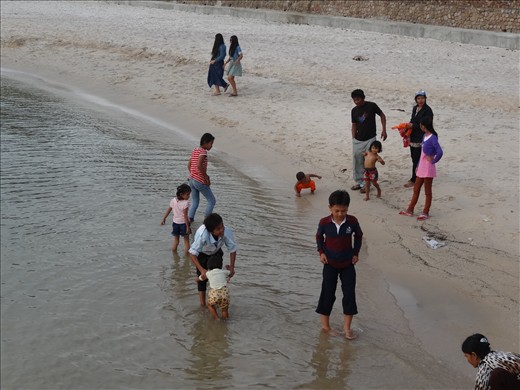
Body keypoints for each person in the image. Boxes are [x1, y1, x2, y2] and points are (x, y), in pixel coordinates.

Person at [315, 190, 363, 340]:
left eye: (344, 211)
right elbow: (319, 237)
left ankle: (347, 329)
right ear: (330, 208)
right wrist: (321, 252)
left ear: (347, 209)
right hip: (329, 264)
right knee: (327, 294)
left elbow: (359, 235)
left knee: (349, 295)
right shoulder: (324, 222)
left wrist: (356, 253)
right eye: (337, 210)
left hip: (348, 264)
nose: (340, 214)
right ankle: (326, 327)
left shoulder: (352, 221)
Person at [399, 117, 443, 221]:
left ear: (423, 126)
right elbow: (422, 154)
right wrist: (418, 165)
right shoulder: (424, 136)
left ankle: (425, 212)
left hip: (428, 168)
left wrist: (433, 161)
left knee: (427, 191)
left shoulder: (433, 137)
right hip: (422, 167)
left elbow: (440, 152)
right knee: (416, 189)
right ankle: (410, 210)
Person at [189, 213, 237, 307]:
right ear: (211, 231)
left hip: (216, 252)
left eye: (222, 226)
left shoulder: (226, 232)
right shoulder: (202, 235)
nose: (222, 230)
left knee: (217, 276)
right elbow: (192, 254)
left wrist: (232, 268)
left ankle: (218, 300)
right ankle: (202, 304)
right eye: (218, 229)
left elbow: (233, 249)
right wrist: (202, 270)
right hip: (202, 254)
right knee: (202, 279)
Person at [350, 89, 387, 194]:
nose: (356, 101)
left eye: (358, 99)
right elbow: (354, 125)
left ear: (363, 98)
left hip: (370, 138)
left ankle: (368, 184)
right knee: (357, 160)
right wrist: (353, 138)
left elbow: (382, 115)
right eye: (354, 100)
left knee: (369, 160)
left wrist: (384, 130)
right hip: (358, 139)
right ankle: (359, 181)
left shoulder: (371, 106)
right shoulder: (354, 110)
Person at [404, 90, 434, 188]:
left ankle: (414, 179)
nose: (420, 100)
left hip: (422, 137)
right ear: (416, 100)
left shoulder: (428, 111)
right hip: (413, 136)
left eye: (422, 98)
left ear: (425, 99)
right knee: (414, 157)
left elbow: (427, 125)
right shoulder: (415, 108)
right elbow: (412, 120)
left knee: (418, 158)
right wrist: (407, 127)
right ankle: (421, 176)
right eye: (418, 98)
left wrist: (413, 125)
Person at [188, 133, 216, 222]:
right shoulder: (203, 152)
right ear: (205, 142)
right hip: (199, 180)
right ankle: (206, 221)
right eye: (211, 143)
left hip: (191, 180)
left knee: (195, 202)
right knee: (212, 201)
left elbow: (189, 165)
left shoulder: (195, 150)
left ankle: (189, 219)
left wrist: (193, 174)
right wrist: (206, 177)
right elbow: (199, 165)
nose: (211, 146)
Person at [160, 183, 192, 253]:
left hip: (175, 223)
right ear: (181, 194)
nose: (189, 196)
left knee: (176, 241)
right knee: (186, 242)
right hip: (184, 224)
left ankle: (174, 255)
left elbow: (169, 209)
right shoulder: (185, 203)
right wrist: (187, 227)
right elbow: (185, 216)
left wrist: (164, 218)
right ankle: (187, 259)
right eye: (187, 194)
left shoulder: (173, 200)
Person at [198, 254, 231, 319]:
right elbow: (230, 273)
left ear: (209, 266)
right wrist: (228, 268)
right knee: (224, 309)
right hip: (224, 294)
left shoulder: (208, 273)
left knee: (210, 305)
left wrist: (197, 279)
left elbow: (201, 278)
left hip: (215, 294)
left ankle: (216, 318)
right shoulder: (223, 272)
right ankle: (225, 320)